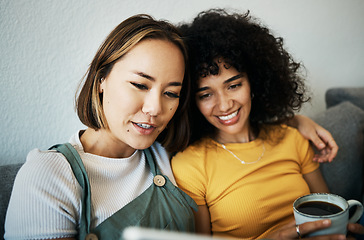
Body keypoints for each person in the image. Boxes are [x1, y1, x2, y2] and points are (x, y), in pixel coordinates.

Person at [171, 9, 363, 239]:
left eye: (234, 85)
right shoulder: (190, 165)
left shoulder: (291, 138)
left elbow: (326, 216)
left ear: (254, 82)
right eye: (206, 94)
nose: (224, 105)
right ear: (191, 102)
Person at [4, 14, 198, 240]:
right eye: (140, 84)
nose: (155, 108)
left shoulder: (170, 156)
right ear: (100, 80)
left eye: (171, 93)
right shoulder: (49, 175)